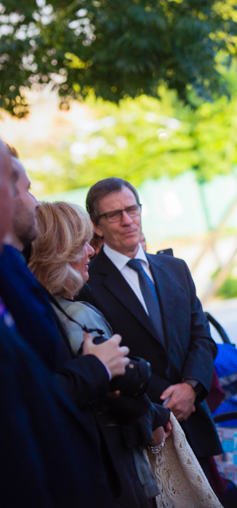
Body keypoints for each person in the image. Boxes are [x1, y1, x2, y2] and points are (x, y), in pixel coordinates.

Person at [78, 178, 223, 486]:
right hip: (142, 426)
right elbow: (109, 356)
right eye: (114, 215)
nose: (127, 220)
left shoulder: (176, 269)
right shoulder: (87, 286)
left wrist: (190, 387)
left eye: (132, 209)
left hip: (194, 419)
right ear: (97, 226)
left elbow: (201, 337)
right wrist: (168, 399)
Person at [29, 201, 172, 508]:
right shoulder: (78, 317)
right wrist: (152, 418)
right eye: (82, 244)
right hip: (114, 473)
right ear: (60, 252)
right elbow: (120, 395)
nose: (92, 251)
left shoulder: (35, 316)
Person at [0, 140, 117, 508]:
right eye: (24, 188)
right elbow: (31, 397)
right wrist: (97, 369)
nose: (35, 203)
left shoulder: (12, 271)